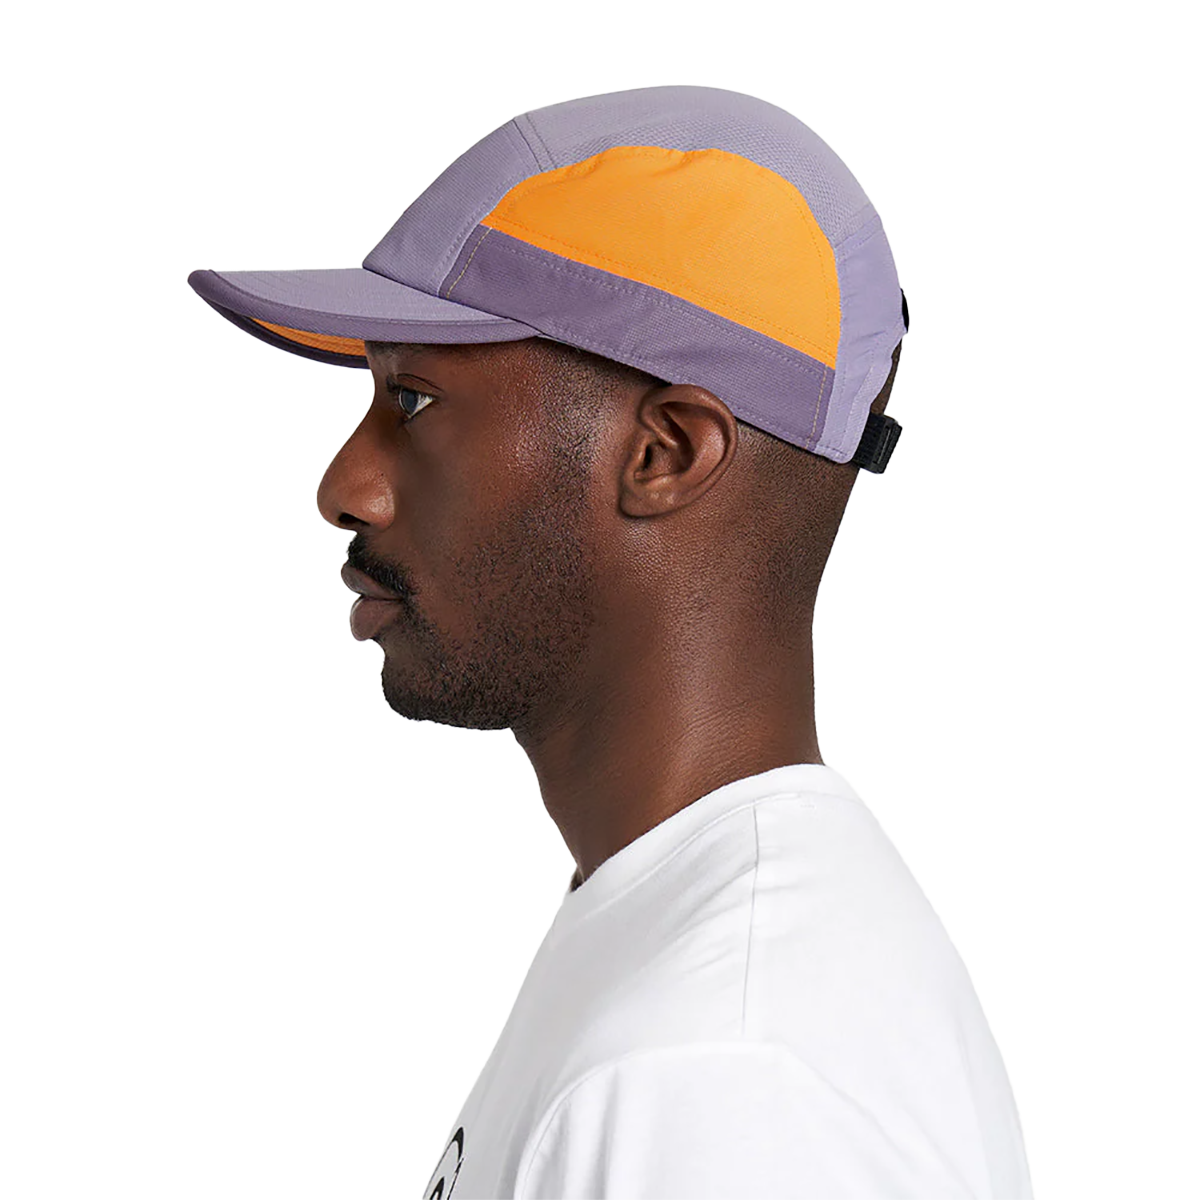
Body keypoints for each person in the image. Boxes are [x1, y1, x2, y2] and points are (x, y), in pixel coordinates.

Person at [189, 85, 1033, 1199]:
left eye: (415, 401)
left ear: (666, 454)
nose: (344, 486)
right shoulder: (688, 958)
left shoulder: (720, 1072)